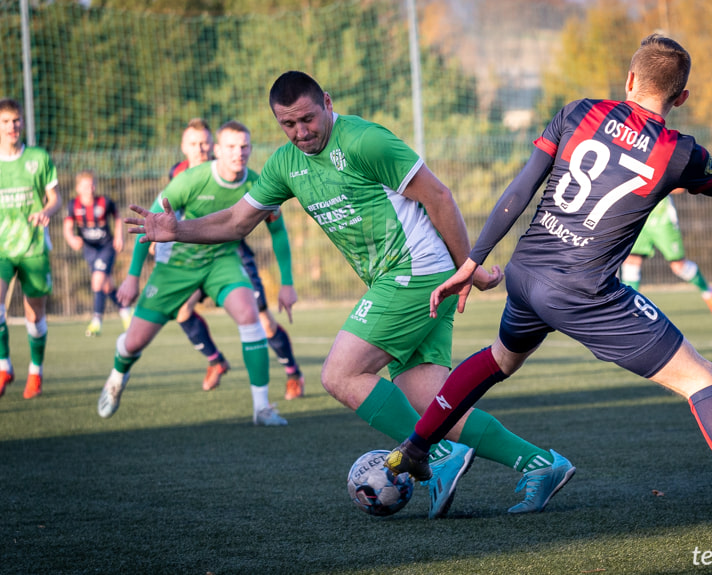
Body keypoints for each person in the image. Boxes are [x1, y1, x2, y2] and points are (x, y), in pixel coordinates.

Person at [384, 34, 712, 534]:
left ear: (630, 80)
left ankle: (413, 450)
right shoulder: (680, 152)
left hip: (527, 275)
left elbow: (522, 186)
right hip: (585, 292)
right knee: (700, 377)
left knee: (499, 359)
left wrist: (473, 260)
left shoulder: (578, 113)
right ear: (680, 98)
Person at [127, 71, 575, 518]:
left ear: (326, 101)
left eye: (307, 118)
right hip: (401, 277)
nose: (301, 132)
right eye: (288, 124)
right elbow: (235, 223)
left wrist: (468, 270)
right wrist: (177, 230)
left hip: (415, 270)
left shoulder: (363, 140)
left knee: (339, 375)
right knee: (431, 403)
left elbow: (438, 195)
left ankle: (433, 457)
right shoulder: (286, 164)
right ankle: (539, 464)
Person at [102, 120, 294, 426]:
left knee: (249, 314)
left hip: (223, 260)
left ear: (251, 149)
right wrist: (132, 276)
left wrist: (287, 283)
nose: (238, 153)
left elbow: (279, 231)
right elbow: (148, 223)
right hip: (178, 265)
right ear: (217, 150)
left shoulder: (258, 184)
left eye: (244, 146)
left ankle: (262, 408)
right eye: (231, 146)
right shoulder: (190, 180)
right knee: (133, 342)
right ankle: (116, 376)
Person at [163, 118, 305, 397]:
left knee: (263, 323)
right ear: (184, 147)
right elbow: (174, 212)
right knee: (181, 310)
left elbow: (277, 229)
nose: (199, 150)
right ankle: (216, 362)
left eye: (203, 143)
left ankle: (293, 373)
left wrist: (287, 282)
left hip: (232, 254)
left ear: (212, 147)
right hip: (194, 256)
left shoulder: (246, 178)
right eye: (194, 144)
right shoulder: (179, 174)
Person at [0, 98, 61, 400]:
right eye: (6, 122)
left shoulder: (38, 157)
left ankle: (35, 372)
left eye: (16, 121)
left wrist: (47, 211)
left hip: (34, 247)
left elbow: (55, 198)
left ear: (22, 123)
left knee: (34, 317)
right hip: (2, 249)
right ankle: (4, 365)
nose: (12, 127)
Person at [620, 190, 712, 317]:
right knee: (631, 261)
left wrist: (661, 184)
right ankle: (630, 310)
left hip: (662, 217)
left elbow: (680, 187)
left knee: (678, 266)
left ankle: (708, 292)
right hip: (638, 214)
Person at [63, 170, 132, 336]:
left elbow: (117, 217)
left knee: (97, 279)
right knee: (106, 285)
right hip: (89, 249)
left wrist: (119, 237)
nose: (91, 188)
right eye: (86, 185)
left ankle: (96, 321)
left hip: (106, 246)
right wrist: (71, 239)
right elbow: (67, 226)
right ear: (78, 188)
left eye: (93, 184)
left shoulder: (104, 202)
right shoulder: (74, 205)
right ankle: (125, 310)